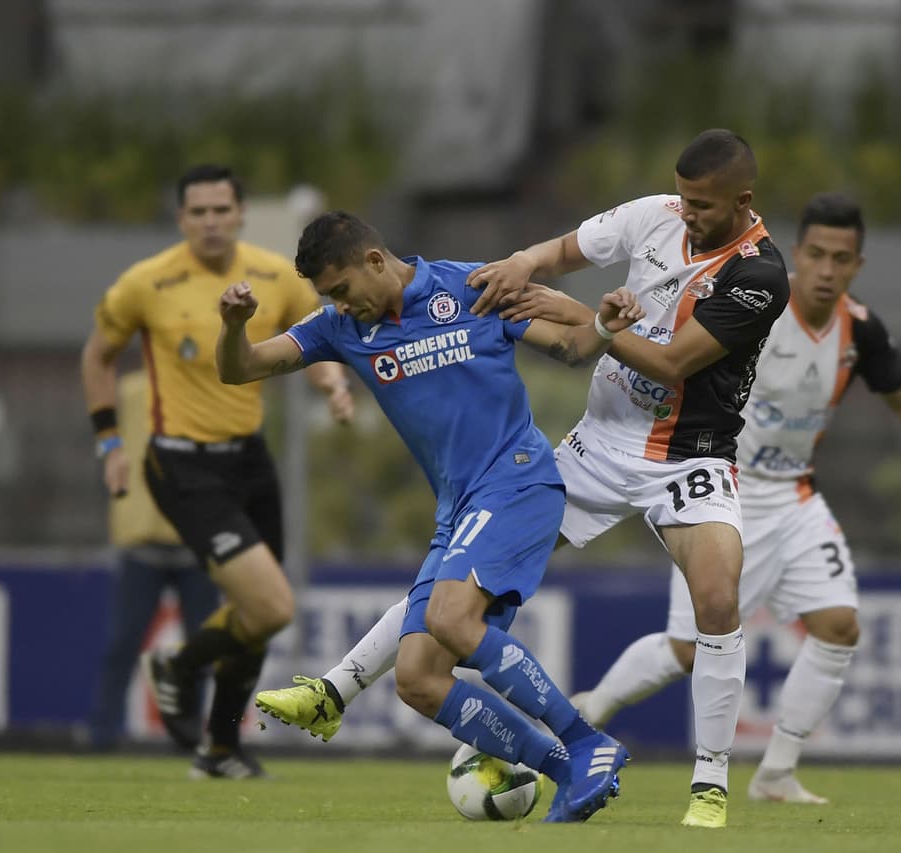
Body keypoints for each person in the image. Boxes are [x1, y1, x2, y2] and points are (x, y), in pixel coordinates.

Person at [257, 128, 789, 829]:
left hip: (690, 454)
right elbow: (564, 251)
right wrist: (519, 264)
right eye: (684, 198)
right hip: (597, 445)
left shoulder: (760, 274)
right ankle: (340, 687)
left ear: (742, 200)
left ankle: (711, 784)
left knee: (717, 598)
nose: (686, 213)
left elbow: (673, 363)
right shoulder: (655, 213)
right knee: (454, 588)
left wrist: (585, 318)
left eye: (702, 205)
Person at [571, 191, 901, 804]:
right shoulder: (755, 308)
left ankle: (776, 771)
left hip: (796, 496)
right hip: (723, 486)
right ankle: (591, 708)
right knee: (686, 650)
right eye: (818, 255)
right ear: (796, 255)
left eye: (843, 258)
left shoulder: (861, 330)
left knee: (839, 625)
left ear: (858, 264)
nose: (828, 270)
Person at [219, 211, 644, 822]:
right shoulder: (338, 327)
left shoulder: (473, 287)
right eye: (327, 297)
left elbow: (573, 347)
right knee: (417, 678)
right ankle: (567, 771)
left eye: (340, 289)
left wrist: (602, 320)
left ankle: (587, 743)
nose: (338, 304)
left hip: (517, 479)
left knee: (449, 619)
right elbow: (242, 367)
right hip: (459, 509)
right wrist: (233, 326)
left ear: (373, 261)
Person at [80, 164, 355, 779]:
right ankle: (175, 665)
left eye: (220, 210)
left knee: (254, 615)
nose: (209, 221)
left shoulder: (273, 274)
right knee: (273, 606)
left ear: (239, 214)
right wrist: (109, 443)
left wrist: (333, 385)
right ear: (182, 219)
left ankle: (220, 748)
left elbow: (316, 338)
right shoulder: (146, 283)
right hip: (181, 462)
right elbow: (97, 355)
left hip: (249, 459)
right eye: (197, 212)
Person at [88, 371, 220, 751]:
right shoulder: (131, 392)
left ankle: (189, 735)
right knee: (123, 642)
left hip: (195, 542)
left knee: (200, 648)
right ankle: (103, 734)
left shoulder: (210, 387)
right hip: (142, 542)